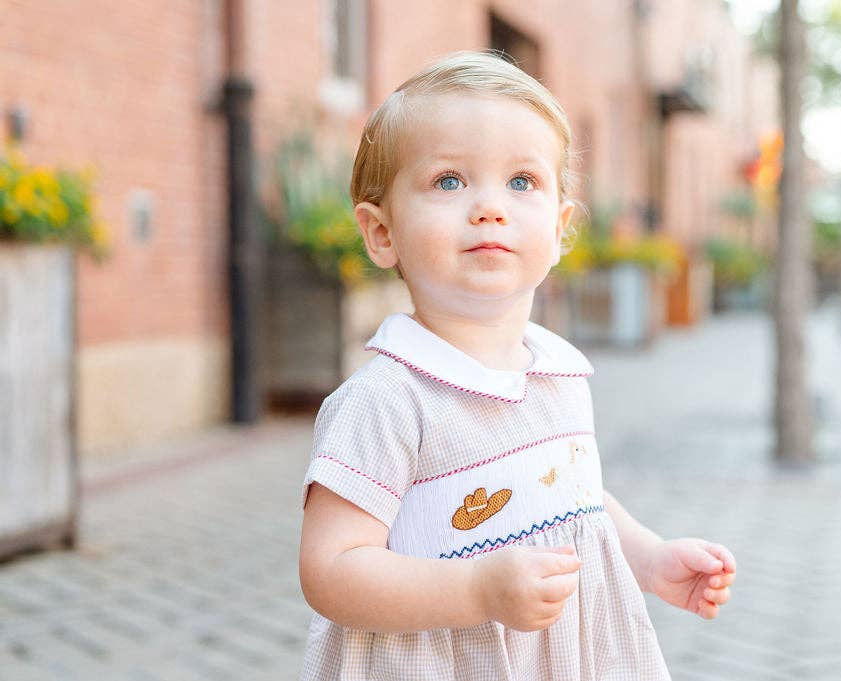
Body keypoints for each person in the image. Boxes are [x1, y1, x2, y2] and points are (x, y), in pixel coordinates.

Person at [298, 50, 736, 681]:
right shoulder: (386, 399)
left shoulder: (558, 374)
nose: (489, 207)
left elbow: (573, 499)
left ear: (560, 231)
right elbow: (331, 570)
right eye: (449, 180)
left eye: (522, 182)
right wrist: (475, 590)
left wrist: (647, 557)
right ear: (382, 233)